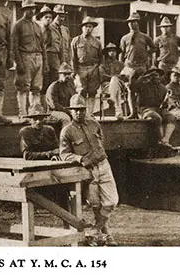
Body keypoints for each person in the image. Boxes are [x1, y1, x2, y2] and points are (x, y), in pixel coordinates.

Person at [59, 94, 118, 246]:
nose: (79, 112)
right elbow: (64, 154)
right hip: (88, 170)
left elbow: (101, 141)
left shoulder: (94, 124)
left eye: (82, 109)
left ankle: (94, 231)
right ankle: (105, 235)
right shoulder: (67, 131)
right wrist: (80, 159)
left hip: (103, 165)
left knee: (111, 201)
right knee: (95, 204)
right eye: (76, 110)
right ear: (71, 112)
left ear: (85, 110)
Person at [12, 0, 45, 121]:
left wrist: (44, 62)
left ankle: (34, 113)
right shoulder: (18, 25)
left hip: (38, 57)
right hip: (25, 57)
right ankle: (23, 114)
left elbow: (43, 46)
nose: (31, 11)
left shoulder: (37, 26)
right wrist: (18, 63)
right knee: (23, 87)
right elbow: (14, 46)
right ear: (23, 10)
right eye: (28, 9)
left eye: (33, 8)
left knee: (36, 88)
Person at [119, 12, 155, 118]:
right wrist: (122, 65)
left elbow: (153, 48)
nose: (132, 24)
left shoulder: (145, 37)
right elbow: (122, 52)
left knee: (142, 88)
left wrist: (146, 55)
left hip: (141, 66)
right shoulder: (124, 38)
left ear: (137, 23)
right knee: (130, 89)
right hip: (130, 66)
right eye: (130, 22)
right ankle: (132, 112)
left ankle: (142, 111)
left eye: (134, 22)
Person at [135, 66, 176, 150]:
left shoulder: (163, 88)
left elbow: (166, 103)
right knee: (156, 118)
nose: (156, 77)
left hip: (159, 109)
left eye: (158, 75)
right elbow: (134, 84)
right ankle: (161, 140)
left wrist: (166, 104)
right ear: (149, 77)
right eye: (153, 75)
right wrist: (146, 76)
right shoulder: (143, 85)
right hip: (145, 109)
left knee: (172, 117)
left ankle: (166, 140)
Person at [71, 16, 103, 115]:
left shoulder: (97, 42)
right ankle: (82, 113)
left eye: (90, 26)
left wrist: (98, 69)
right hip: (81, 68)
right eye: (86, 26)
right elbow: (73, 57)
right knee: (81, 91)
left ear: (93, 28)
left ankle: (91, 113)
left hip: (93, 68)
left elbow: (100, 58)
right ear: (82, 28)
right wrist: (74, 70)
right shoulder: (76, 40)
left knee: (93, 91)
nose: (88, 28)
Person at [153, 16, 180, 82]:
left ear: (170, 27)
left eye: (167, 26)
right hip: (163, 65)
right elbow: (154, 52)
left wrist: (177, 55)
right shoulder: (158, 39)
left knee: (173, 82)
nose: (165, 29)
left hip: (174, 65)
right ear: (161, 28)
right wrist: (157, 61)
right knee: (162, 82)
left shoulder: (176, 38)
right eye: (163, 27)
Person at [99, 43, 126, 120]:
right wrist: (114, 78)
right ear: (107, 53)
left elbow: (125, 76)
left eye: (114, 51)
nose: (112, 53)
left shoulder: (121, 64)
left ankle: (112, 99)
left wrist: (115, 78)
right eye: (110, 51)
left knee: (115, 81)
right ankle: (119, 113)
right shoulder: (103, 65)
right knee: (115, 85)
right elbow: (102, 76)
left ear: (116, 52)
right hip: (107, 86)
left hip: (120, 85)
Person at [45, 62, 75, 126]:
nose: (67, 76)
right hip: (54, 112)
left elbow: (74, 100)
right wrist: (68, 111)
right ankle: (65, 136)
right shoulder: (54, 87)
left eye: (69, 74)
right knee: (66, 119)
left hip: (68, 111)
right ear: (60, 75)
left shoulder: (71, 86)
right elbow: (54, 105)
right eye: (65, 74)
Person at [41, 5, 62, 91]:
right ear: (41, 18)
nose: (48, 19)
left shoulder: (56, 30)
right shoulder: (37, 30)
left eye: (50, 17)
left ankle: (52, 103)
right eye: (46, 17)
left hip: (54, 57)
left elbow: (61, 47)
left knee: (54, 82)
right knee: (43, 82)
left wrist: (62, 61)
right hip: (42, 57)